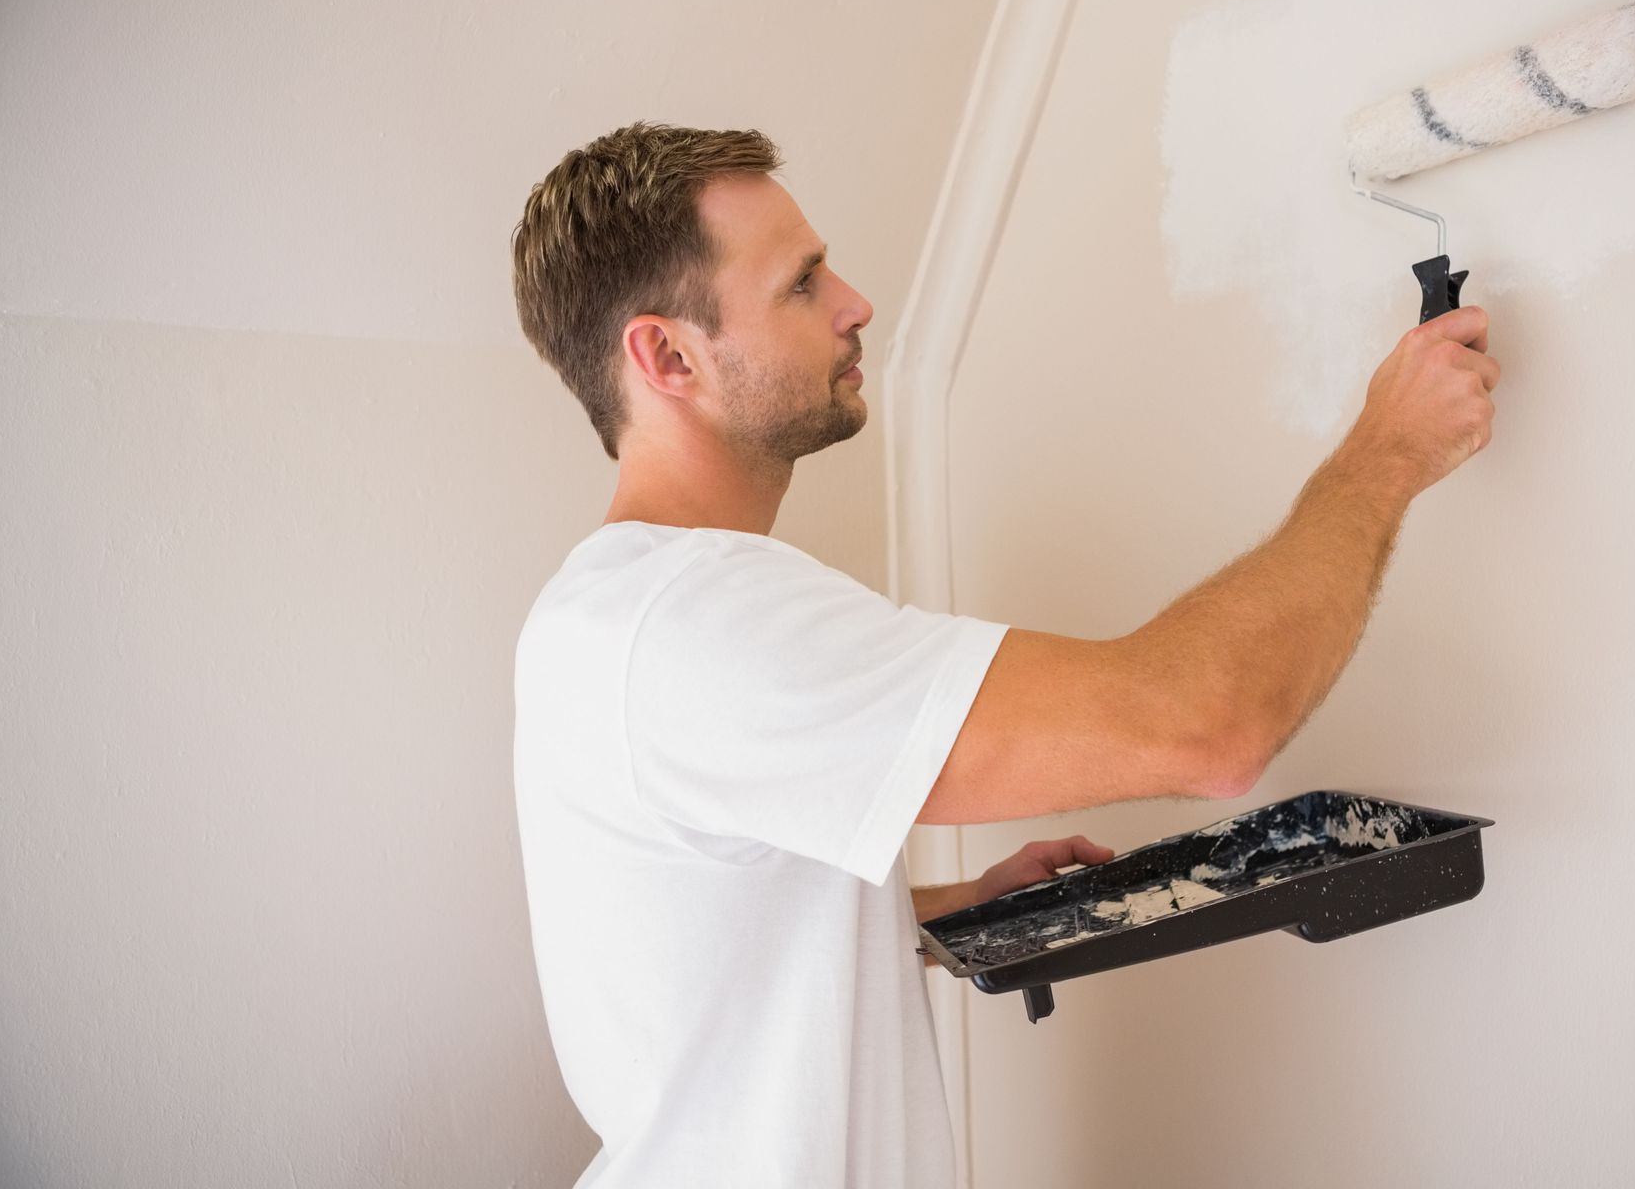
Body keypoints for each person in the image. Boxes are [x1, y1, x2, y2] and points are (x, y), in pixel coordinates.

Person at [507, 122, 1498, 1188]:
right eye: (802, 284)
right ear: (667, 355)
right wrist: (1386, 454)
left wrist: (947, 906)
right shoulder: (703, 622)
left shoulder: (612, 611)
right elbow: (1207, 724)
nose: (856, 302)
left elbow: (710, 942)